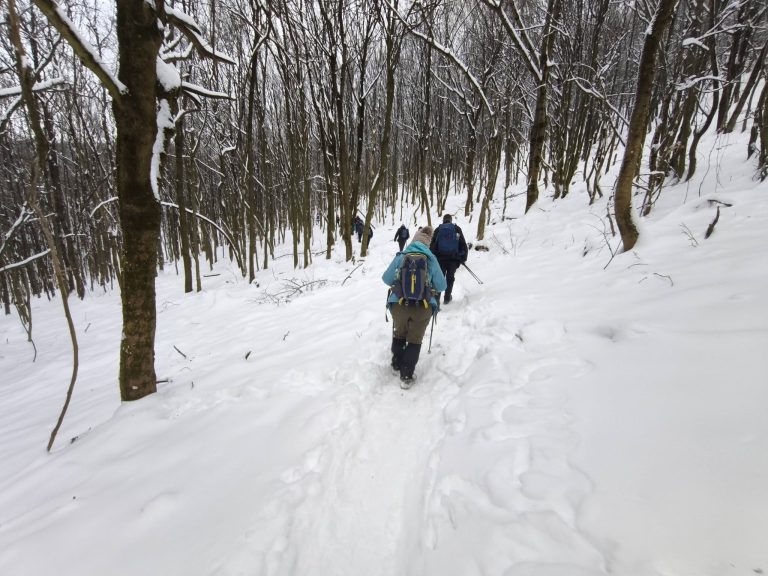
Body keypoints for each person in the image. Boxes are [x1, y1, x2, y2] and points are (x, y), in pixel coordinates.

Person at [382, 226, 447, 387]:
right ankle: (406, 376)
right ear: (428, 242)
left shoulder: (402, 256)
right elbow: (441, 285)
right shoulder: (431, 258)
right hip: (422, 307)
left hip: (399, 304)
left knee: (399, 334)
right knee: (414, 340)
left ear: (414, 240)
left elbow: (386, 278)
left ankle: (396, 364)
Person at [429, 214, 468, 304]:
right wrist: (463, 258)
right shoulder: (456, 229)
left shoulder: (438, 229)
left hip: (440, 259)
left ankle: (437, 300)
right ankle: (447, 298)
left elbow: (432, 245)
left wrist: (432, 257)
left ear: (443, 220)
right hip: (453, 259)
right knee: (450, 278)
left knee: (440, 278)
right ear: (450, 220)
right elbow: (463, 244)